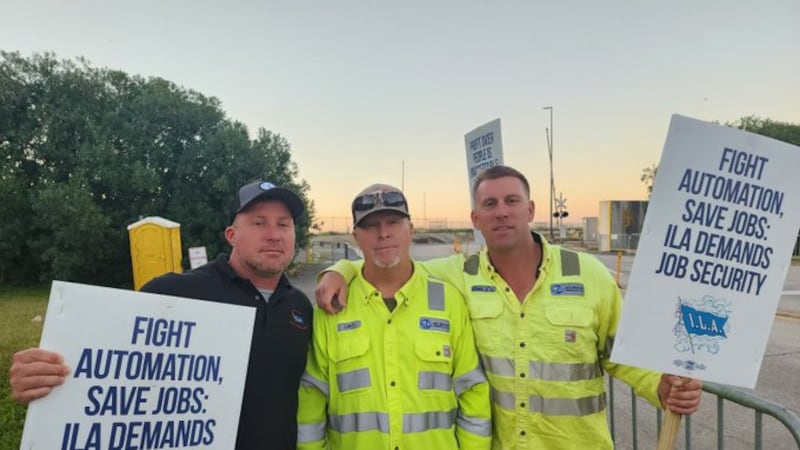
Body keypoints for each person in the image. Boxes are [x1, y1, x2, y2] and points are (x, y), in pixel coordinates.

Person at [315, 166, 703, 449]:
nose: (501, 211)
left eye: (511, 201)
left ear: (530, 209)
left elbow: (626, 350)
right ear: (475, 218)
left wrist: (659, 384)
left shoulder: (588, 274)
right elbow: (390, 265)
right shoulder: (454, 277)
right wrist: (341, 269)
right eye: (490, 203)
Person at [9, 180, 313, 450]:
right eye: (259, 223)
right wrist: (40, 376)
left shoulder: (300, 307)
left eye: (283, 224)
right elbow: (105, 370)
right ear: (231, 234)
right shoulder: (171, 294)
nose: (274, 235)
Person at [297, 183, 491, 450]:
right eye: (371, 225)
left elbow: (472, 391)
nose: (383, 233)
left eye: (393, 222)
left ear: (410, 230)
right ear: (356, 237)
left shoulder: (448, 301)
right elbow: (312, 397)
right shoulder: (332, 305)